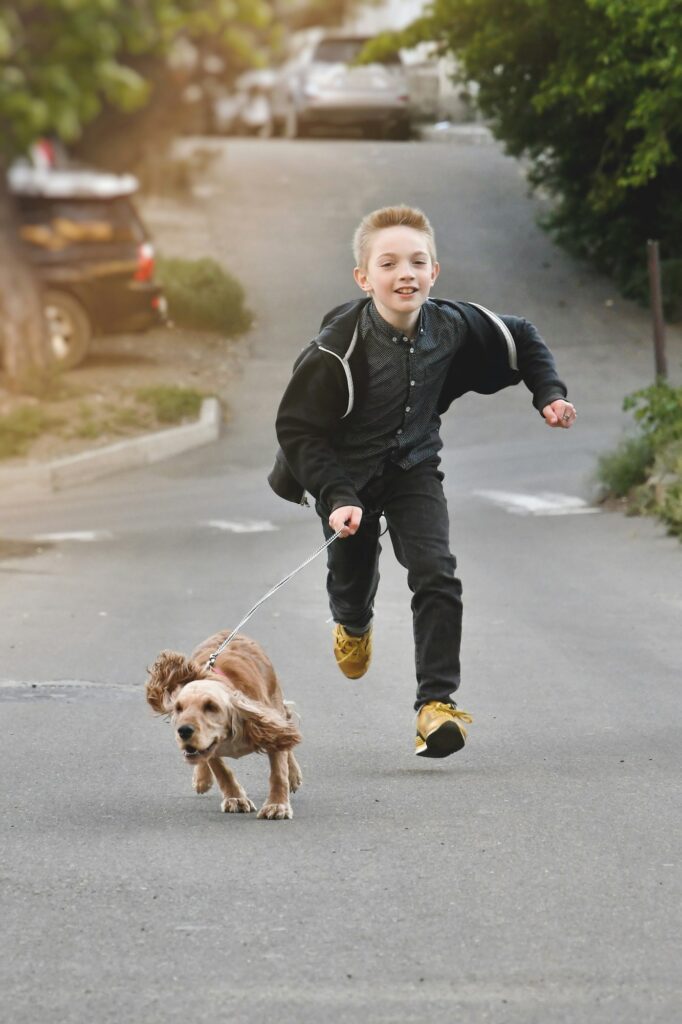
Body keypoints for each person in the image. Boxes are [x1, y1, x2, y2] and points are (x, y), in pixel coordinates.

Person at [268, 205, 575, 758]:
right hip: (346, 479)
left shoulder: (452, 325)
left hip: (414, 468)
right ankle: (352, 623)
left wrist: (548, 393)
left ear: (435, 271)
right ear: (365, 279)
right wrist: (336, 496)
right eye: (388, 263)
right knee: (352, 576)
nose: (404, 273)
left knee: (436, 570)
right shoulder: (336, 350)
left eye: (417, 261)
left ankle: (436, 706)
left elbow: (522, 336)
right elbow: (296, 429)